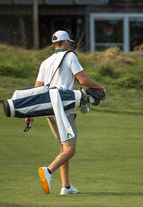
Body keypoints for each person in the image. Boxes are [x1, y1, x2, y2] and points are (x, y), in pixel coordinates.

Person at [31, 30, 106, 195]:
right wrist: (101, 87)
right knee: (70, 150)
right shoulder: (70, 56)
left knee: (63, 147)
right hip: (64, 107)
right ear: (65, 43)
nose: (70, 45)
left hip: (48, 108)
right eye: (69, 43)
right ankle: (48, 171)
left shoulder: (45, 62)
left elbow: (37, 89)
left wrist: (31, 113)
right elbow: (83, 80)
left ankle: (66, 187)